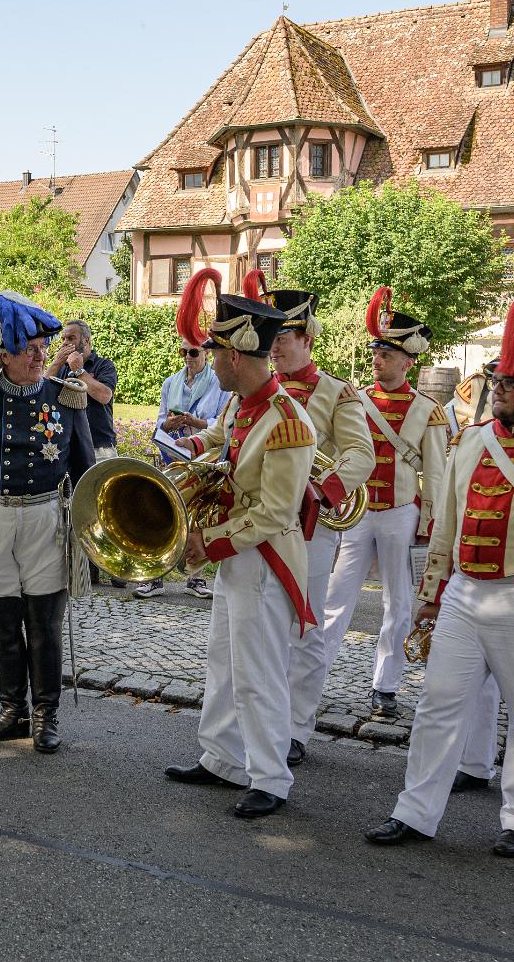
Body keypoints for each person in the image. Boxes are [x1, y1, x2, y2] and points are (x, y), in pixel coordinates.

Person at [364, 293, 514, 858]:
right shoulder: (471, 441)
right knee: (437, 706)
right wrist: (432, 593)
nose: (498, 389)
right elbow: (448, 526)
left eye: (512, 382)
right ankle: (416, 811)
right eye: (496, 379)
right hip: (465, 596)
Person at [161, 269, 313, 818]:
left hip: (262, 560)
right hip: (236, 556)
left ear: (236, 357)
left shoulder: (289, 423)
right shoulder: (239, 405)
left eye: (216, 352)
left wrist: (210, 541)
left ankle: (271, 777)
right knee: (223, 665)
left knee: (258, 671)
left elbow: (275, 511)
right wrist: (189, 449)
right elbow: (222, 441)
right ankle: (222, 758)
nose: (211, 361)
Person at [0, 292, 95, 752]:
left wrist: (90, 534)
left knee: (44, 623)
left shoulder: (66, 399)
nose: (40, 355)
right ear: (3, 353)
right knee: (2, 622)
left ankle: (45, 714)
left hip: (46, 520)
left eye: (42, 347)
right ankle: (13, 709)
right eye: (28, 348)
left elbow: (86, 471)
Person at [315, 288, 447, 720]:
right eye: (376, 351)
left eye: (387, 354)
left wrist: (431, 522)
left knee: (400, 603)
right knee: (336, 597)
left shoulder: (428, 409)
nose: (378, 359)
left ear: (408, 361)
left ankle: (385, 686)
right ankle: (313, 677)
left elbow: (438, 476)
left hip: (402, 514)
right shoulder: (354, 400)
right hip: (358, 513)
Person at [261, 284, 376, 766]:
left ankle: (295, 728)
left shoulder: (336, 393)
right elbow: (227, 432)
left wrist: (323, 488)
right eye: (272, 336)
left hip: (311, 525)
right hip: (259, 521)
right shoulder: (257, 386)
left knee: (305, 629)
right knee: (261, 628)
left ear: (307, 336)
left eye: (285, 335)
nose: (276, 345)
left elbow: (361, 455)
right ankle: (262, 720)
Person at [135, 336, 226, 600]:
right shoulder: (170, 382)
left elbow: (222, 422)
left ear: (206, 354)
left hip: (202, 456)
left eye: (194, 352)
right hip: (172, 453)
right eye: (183, 352)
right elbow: (160, 420)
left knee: (197, 514)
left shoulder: (220, 384)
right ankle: (155, 578)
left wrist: (194, 422)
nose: (188, 357)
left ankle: (194, 577)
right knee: (162, 512)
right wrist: (169, 424)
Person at [49, 319, 116, 459]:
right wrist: (56, 363)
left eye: (71, 338)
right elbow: (40, 389)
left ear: (85, 340)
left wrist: (79, 371)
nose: (65, 343)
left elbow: (105, 396)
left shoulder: (103, 365)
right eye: (63, 339)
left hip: (99, 448)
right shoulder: (61, 367)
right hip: (67, 447)